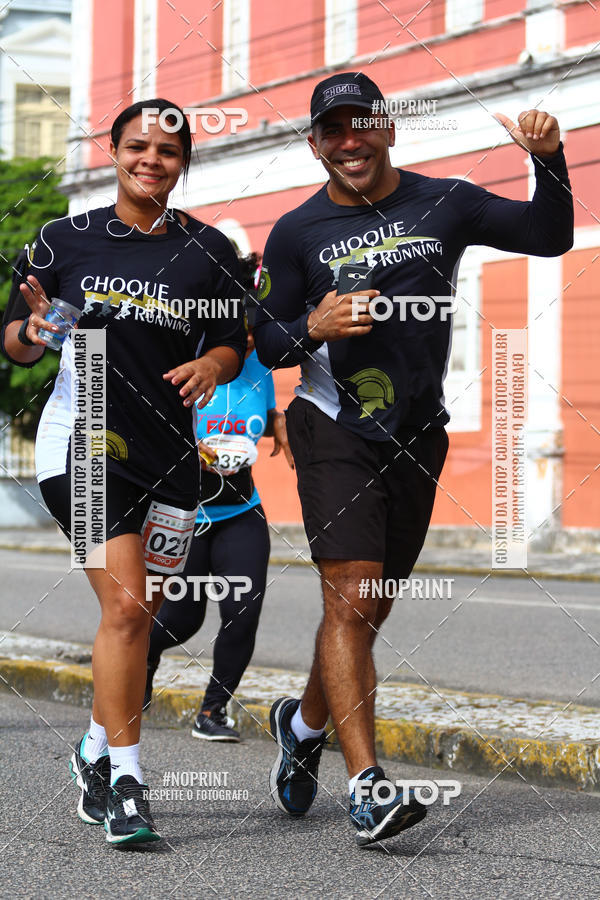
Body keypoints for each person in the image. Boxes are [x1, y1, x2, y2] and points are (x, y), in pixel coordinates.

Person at [253, 72, 573, 846]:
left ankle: (301, 724)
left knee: (368, 611)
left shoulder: (448, 201)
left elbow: (550, 235)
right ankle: (367, 789)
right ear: (315, 145)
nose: (349, 141)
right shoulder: (296, 233)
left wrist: (551, 160)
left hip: (416, 431)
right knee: (353, 599)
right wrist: (315, 325)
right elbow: (266, 343)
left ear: (388, 128)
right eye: (333, 130)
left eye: (362, 124)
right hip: (333, 425)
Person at [1, 98, 247, 846]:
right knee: (127, 611)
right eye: (137, 146)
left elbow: (233, 344)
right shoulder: (62, 241)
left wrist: (212, 361)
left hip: (172, 456)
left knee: (142, 623)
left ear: (183, 164)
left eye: (167, 153)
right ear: (112, 151)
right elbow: (12, 338)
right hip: (82, 442)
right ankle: (130, 788)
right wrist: (33, 331)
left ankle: (93, 750)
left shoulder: (208, 251)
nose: (151, 160)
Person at [144, 254, 294, 741]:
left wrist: (282, 427)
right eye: (241, 329)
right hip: (188, 516)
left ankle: (212, 711)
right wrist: (193, 451)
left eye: (252, 331)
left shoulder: (257, 369)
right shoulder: (185, 368)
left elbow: (267, 415)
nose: (248, 339)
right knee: (182, 619)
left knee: (243, 612)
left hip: (242, 510)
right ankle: (141, 662)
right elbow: (154, 432)